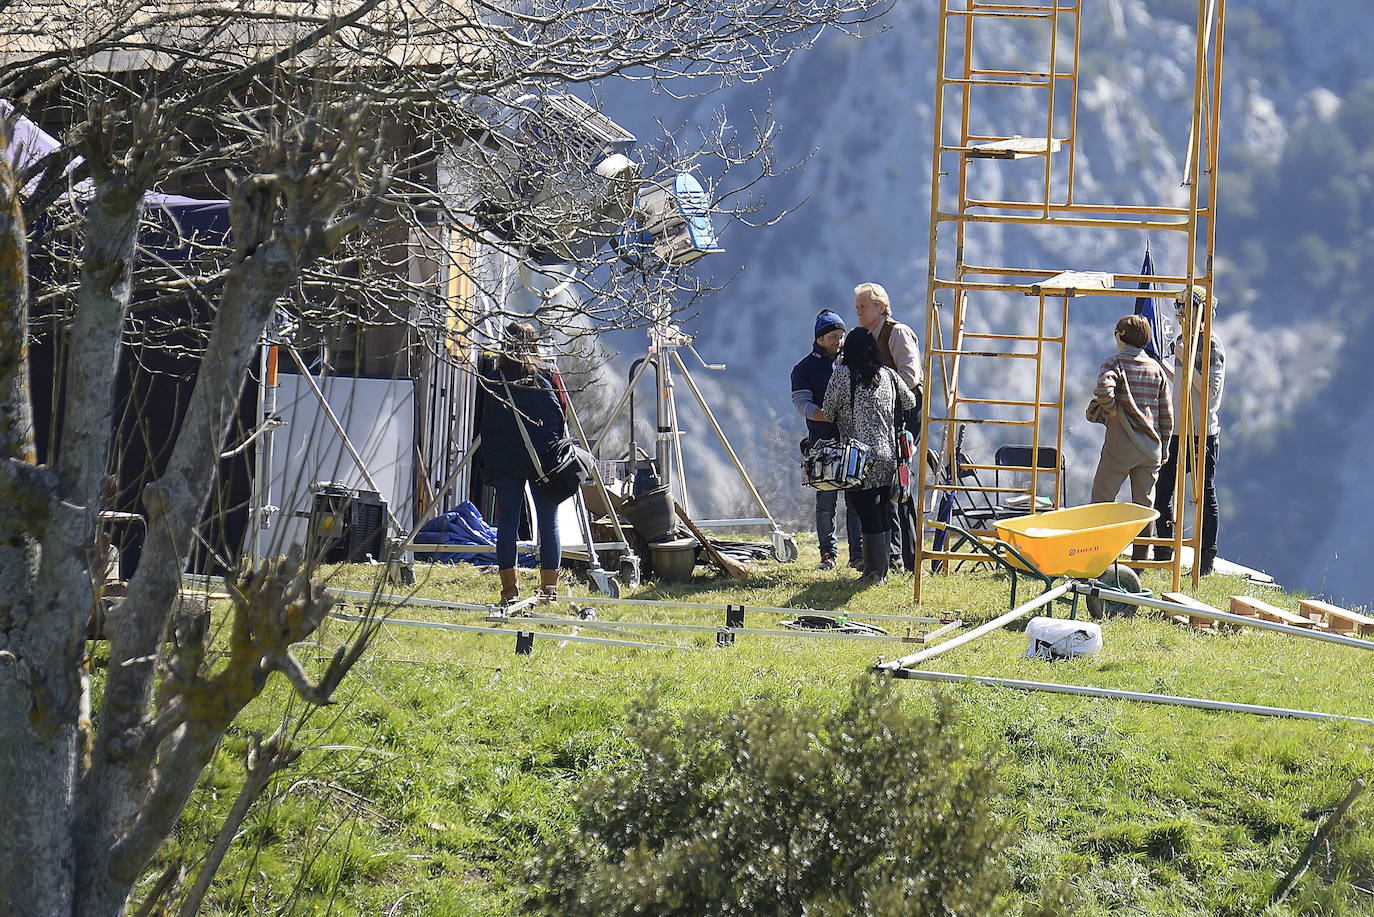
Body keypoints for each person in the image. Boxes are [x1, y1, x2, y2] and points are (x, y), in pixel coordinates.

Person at [479, 322, 569, 605]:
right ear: (534, 344)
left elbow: (486, 421)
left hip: (507, 462)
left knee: (507, 523)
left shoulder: (494, 378)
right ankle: (548, 591)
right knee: (548, 524)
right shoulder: (548, 373)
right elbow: (562, 411)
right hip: (543, 460)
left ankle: (509, 591)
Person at [822, 326, 917, 585]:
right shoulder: (888, 374)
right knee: (883, 510)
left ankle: (874, 574)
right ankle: (882, 570)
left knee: (866, 512)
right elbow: (910, 401)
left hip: (858, 459)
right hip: (889, 455)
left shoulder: (843, 375)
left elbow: (828, 410)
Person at [1088, 315, 1173, 560]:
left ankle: (1098, 555)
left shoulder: (1113, 363)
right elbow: (1166, 414)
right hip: (1150, 448)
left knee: (1102, 501)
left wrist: (1113, 410)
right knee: (1143, 507)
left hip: (1120, 446)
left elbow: (1104, 390)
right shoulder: (1156, 369)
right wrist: (1164, 447)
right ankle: (1139, 559)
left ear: (1121, 336)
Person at [1154, 286, 1225, 575]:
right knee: (1162, 491)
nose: (1180, 313)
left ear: (1200, 311)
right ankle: (1163, 552)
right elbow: (1184, 383)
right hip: (1178, 430)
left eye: (1185, 307)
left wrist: (1184, 356)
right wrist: (1167, 369)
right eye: (1178, 307)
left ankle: (1206, 559)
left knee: (1203, 495)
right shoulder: (1186, 340)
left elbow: (1208, 390)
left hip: (1201, 434)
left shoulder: (1210, 344)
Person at [852, 282, 922, 572]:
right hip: (884, 419)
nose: (858, 312)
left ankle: (909, 557)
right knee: (883, 488)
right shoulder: (866, 337)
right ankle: (892, 556)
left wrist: (884, 394)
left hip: (904, 415)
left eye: (863, 306)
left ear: (880, 306)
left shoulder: (897, 333)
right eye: (857, 307)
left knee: (900, 485)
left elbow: (911, 376)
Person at [791, 309, 862, 571]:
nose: (838, 341)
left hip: (852, 442)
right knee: (826, 504)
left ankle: (857, 555)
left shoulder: (850, 363)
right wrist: (827, 416)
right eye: (833, 336)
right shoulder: (805, 368)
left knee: (855, 503)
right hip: (822, 443)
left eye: (841, 336)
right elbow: (802, 404)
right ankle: (828, 554)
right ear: (820, 338)